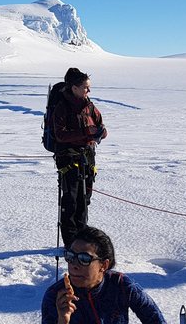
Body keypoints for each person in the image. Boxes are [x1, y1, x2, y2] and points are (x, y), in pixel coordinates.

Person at [41, 226, 166, 323]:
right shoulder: (56, 296)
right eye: (70, 256)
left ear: (104, 265)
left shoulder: (121, 285)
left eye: (84, 259)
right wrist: (63, 321)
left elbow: (155, 319)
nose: (74, 265)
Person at [53, 68, 107, 247]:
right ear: (74, 88)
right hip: (69, 159)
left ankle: (81, 238)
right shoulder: (62, 107)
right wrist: (86, 131)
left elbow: (101, 126)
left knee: (85, 199)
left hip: (88, 158)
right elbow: (60, 135)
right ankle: (70, 243)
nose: (88, 91)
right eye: (85, 87)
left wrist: (100, 132)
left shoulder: (89, 106)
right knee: (71, 201)